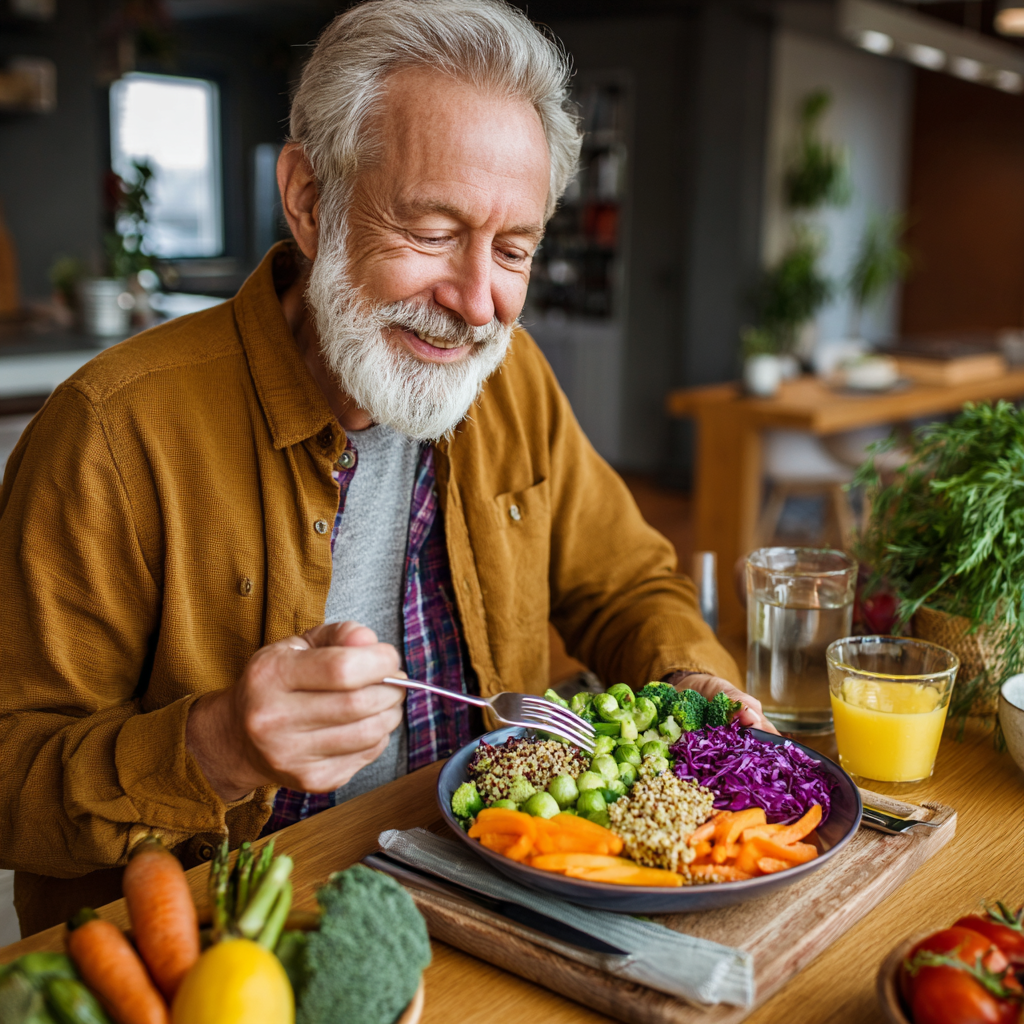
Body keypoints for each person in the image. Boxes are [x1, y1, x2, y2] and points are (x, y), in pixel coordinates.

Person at [0, 0, 771, 937]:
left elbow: (625, 581)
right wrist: (216, 745)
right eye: (433, 232)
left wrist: (690, 682)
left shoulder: (510, 378)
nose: (478, 302)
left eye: (515, 249)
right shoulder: (111, 432)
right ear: (312, 201)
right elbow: (12, 780)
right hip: (219, 950)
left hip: (495, 899)